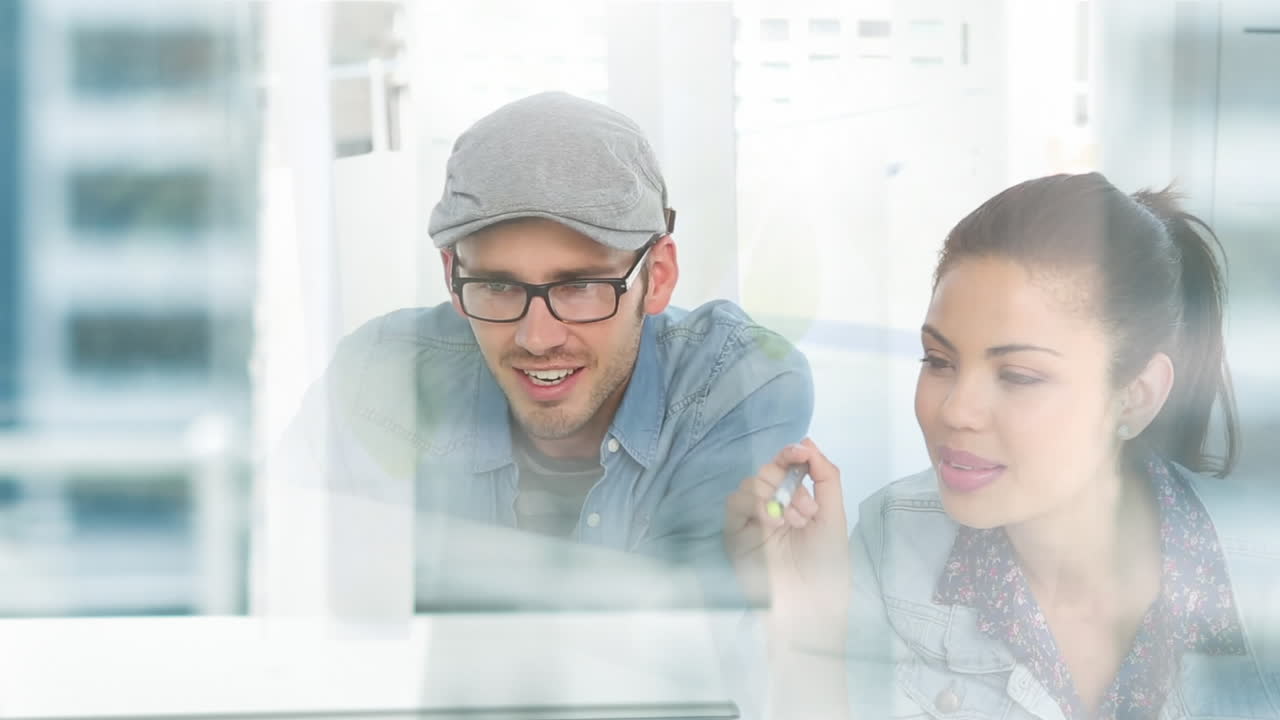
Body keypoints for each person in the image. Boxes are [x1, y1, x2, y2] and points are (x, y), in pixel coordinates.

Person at [727, 172, 1280, 718]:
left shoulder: (1262, 570)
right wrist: (809, 622)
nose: (955, 411)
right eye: (939, 361)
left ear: (1135, 397)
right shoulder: (893, 539)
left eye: (1018, 375)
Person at [276, 92, 813, 610]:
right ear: (451, 275)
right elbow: (270, 587)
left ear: (659, 277)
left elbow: (679, 651)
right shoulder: (380, 374)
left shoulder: (737, 381)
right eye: (498, 286)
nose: (538, 337)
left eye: (579, 286)